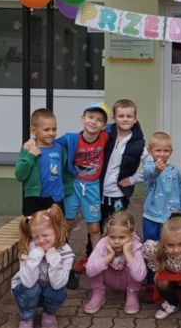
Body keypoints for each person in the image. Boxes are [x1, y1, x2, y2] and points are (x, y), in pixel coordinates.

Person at [57, 101, 110, 266]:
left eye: (99, 120)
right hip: (74, 186)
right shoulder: (71, 138)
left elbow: (125, 127)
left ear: (104, 125)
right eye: (90, 117)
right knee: (67, 223)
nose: (94, 122)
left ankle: (97, 262)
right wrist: (33, 144)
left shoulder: (105, 136)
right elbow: (50, 143)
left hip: (92, 188)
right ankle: (61, 259)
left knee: (94, 227)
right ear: (83, 118)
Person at [11, 205, 74, 328]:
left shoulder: (66, 253)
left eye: (45, 235)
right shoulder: (28, 248)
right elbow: (27, 283)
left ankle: (49, 314)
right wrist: (35, 256)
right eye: (36, 237)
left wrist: (53, 259)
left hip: (49, 290)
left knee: (58, 290)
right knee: (31, 288)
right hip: (26, 292)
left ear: (57, 231)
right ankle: (26, 319)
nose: (40, 240)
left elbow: (58, 284)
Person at [82, 211, 146, 315]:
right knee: (96, 264)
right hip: (110, 280)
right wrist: (108, 257)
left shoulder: (135, 245)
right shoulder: (103, 243)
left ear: (131, 234)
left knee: (136, 265)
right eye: (112, 237)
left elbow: (140, 276)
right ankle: (98, 294)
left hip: (127, 281)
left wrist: (128, 255)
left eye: (122, 237)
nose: (116, 242)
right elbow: (89, 270)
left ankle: (132, 295)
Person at [15, 108, 69, 217]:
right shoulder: (28, 149)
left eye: (54, 129)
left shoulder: (60, 148)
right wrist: (30, 156)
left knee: (57, 227)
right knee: (33, 227)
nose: (51, 133)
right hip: (34, 200)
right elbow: (19, 175)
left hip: (56, 200)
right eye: (46, 129)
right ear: (33, 130)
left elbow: (66, 170)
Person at [100, 99, 145, 220]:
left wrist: (133, 179)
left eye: (129, 116)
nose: (125, 119)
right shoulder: (105, 136)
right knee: (98, 224)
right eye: (121, 116)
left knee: (118, 224)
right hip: (99, 192)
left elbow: (151, 165)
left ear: (135, 119)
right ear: (114, 118)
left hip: (118, 194)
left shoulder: (138, 144)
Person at [140, 131, 181, 242]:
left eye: (166, 151)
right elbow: (151, 174)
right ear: (150, 150)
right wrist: (157, 170)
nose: (162, 154)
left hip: (171, 216)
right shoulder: (148, 167)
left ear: (171, 152)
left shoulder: (175, 171)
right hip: (151, 215)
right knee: (151, 243)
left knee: (170, 242)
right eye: (158, 150)